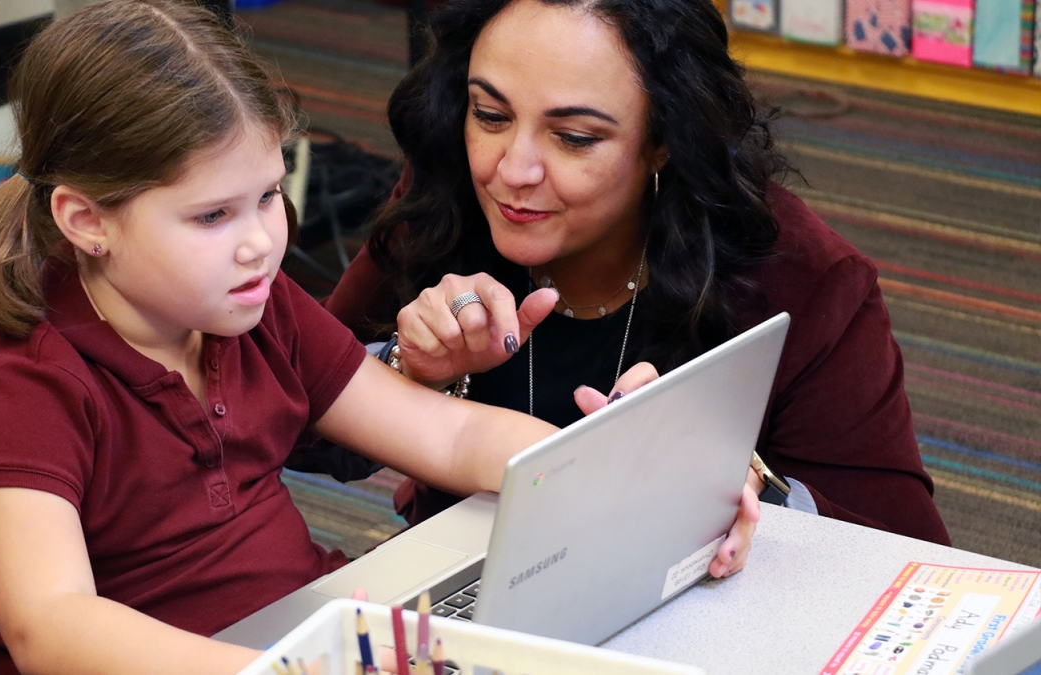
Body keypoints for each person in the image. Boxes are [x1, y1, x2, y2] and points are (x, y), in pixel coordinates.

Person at [0, 3, 756, 674]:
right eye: (211, 215)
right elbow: (52, 629)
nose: (260, 241)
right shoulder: (20, 390)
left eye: (268, 195)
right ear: (86, 220)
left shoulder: (254, 308)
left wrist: (614, 482)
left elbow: (447, 429)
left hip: (308, 631)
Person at [320, 0, 950, 545]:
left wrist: (750, 486)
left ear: (662, 141)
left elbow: (909, 550)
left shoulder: (801, 277)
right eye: (490, 116)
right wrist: (410, 370)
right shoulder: (446, 197)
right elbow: (282, 416)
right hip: (470, 575)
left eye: (572, 137)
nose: (512, 170)